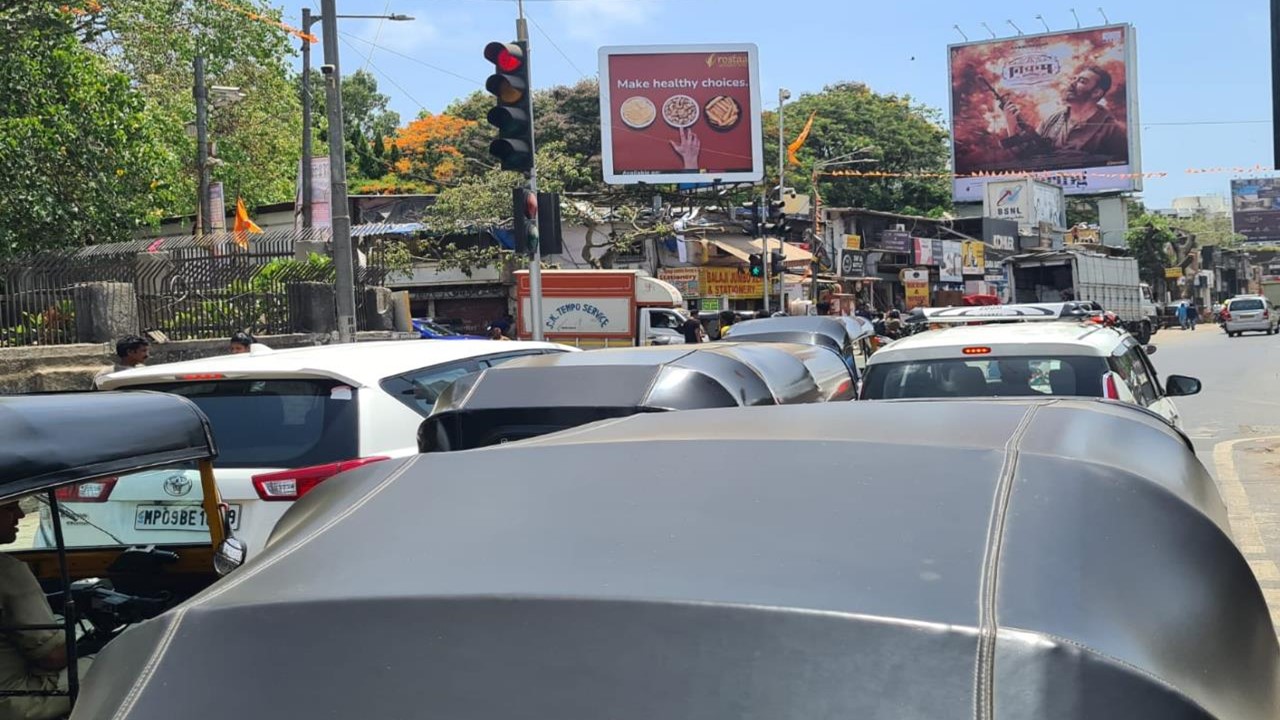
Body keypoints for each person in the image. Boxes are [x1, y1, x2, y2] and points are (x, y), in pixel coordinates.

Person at [0, 499, 93, 719]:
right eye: (10, 508)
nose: (21, 515)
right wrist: (94, 643)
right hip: (16, 701)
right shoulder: (7, 570)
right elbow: (52, 657)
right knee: (114, 663)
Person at [1001, 66, 1127, 163]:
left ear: (1096, 93)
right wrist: (1011, 126)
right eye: (1074, 79)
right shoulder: (1052, 120)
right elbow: (1028, 157)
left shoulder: (1111, 129)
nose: (1072, 83)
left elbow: (1120, 166)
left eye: (1082, 81)